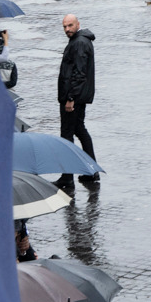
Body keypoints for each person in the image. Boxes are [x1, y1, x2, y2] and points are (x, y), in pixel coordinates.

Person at [55, 14, 97, 189]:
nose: (67, 29)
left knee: (67, 135)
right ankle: (91, 171)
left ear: (78, 24)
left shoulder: (79, 43)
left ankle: (67, 177)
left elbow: (79, 74)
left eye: (70, 25)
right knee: (79, 129)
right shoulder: (79, 41)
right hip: (78, 97)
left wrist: (70, 98)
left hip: (73, 98)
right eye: (64, 26)